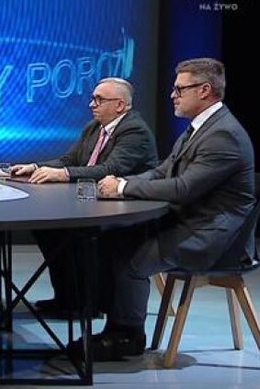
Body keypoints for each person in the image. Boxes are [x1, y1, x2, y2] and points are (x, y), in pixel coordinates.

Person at [78, 57, 255, 361]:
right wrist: (123, 181)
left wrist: (123, 188)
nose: (172, 95)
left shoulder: (223, 135)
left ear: (204, 90)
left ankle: (128, 336)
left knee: (133, 258)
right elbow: (162, 172)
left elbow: (184, 188)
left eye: (179, 89)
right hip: (190, 221)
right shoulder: (199, 128)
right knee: (113, 237)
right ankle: (113, 327)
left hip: (213, 236)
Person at [10, 77, 158, 318]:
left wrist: (63, 174)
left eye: (99, 99)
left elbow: (110, 169)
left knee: (73, 231)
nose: (92, 104)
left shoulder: (134, 130)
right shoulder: (94, 127)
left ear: (120, 105)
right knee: (47, 228)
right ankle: (68, 298)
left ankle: (86, 304)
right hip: (94, 202)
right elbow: (69, 159)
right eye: (93, 98)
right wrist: (35, 166)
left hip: (124, 209)